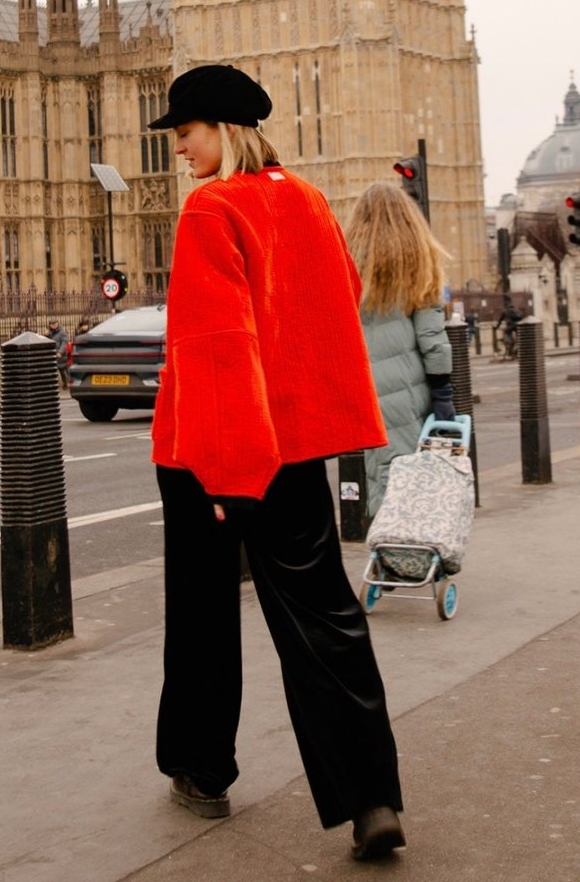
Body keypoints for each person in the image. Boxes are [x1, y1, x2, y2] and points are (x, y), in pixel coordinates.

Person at [147, 64, 405, 862]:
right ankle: (371, 797)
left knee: (201, 615)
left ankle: (202, 768)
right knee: (324, 617)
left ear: (222, 132)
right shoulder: (308, 200)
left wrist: (226, 476)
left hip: (215, 450)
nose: (179, 152)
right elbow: (338, 301)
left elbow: (217, 349)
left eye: (184, 135)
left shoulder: (211, 210)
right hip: (296, 451)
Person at [344, 182, 456, 516]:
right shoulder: (418, 260)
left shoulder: (345, 259)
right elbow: (432, 338)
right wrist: (443, 391)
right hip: (409, 387)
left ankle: (387, 549)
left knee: (380, 468)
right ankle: (407, 553)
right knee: (409, 468)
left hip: (364, 388)